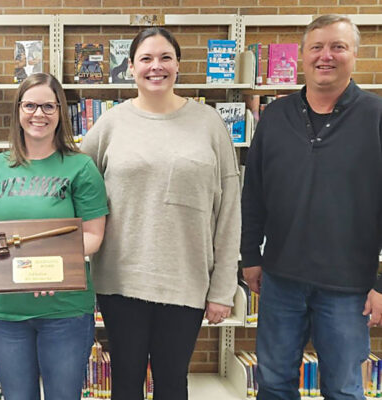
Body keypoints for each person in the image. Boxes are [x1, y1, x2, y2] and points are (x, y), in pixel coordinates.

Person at [81, 27, 240, 400]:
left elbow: (229, 208)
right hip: (120, 280)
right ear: (131, 67)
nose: (156, 66)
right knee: (125, 383)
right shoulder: (110, 124)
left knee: (172, 383)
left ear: (178, 65)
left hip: (185, 280)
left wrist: (223, 289)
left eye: (165, 57)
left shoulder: (209, 123)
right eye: (146, 59)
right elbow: (73, 187)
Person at [241, 14, 382, 400]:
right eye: (317, 47)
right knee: (272, 383)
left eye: (338, 47)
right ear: (303, 56)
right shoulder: (275, 117)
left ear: (355, 54)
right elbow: (253, 192)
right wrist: (250, 255)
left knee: (342, 388)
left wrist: (380, 285)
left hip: (348, 287)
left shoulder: (376, 117)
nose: (326, 56)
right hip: (281, 280)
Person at [0, 72, 108, 400]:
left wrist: (53, 270)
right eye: (30, 105)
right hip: (7, 311)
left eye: (49, 106)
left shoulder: (81, 167)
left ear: (61, 112)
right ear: (18, 110)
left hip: (64, 310)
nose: (39, 114)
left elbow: (93, 236)